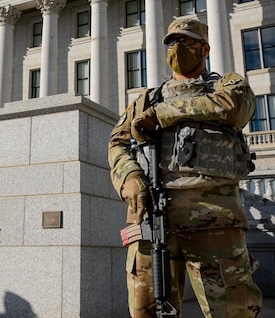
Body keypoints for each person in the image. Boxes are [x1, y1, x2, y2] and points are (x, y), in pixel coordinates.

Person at [108, 18, 262, 318]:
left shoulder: (225, 84)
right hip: (151, 220)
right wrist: (129, 177)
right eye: (171, 42)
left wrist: (163, 114)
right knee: (147, 312)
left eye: (187, 41)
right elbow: (117, 143)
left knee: (233, 311)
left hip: (213, 222)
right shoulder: (146, 98)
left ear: (205, 49)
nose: (177, 47)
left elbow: (231, 107)